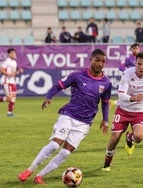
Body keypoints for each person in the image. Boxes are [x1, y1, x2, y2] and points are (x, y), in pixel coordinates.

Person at [18, 49, 112, 184]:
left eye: (103, 61)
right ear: (90, 59)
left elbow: (105, 102)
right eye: (97, 60)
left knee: (66, 153)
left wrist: (105, 119)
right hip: (69, 115)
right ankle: (29, 170)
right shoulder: (77, 75)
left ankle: (40, 176)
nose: (100, 64)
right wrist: (49, 97)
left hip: (84, 123)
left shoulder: (106, 83)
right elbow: (58, 85)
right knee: (54, 145)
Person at [101, 52, 143, 171]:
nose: (141, 67)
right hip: (123, 110)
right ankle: (107, 164)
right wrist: (132, 98)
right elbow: (121, 95)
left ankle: (129, 138)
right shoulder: (127, 74)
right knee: (114, 138)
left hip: (139, 111)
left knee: (138, 137)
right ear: (135, 63)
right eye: (139, 64)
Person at [0, 48, 23, 117]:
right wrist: (7, 74)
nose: (14, 54)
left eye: (15, 53)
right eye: (13, 53)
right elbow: (1, 69)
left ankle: (9, 113)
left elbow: (13, 73)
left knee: (13, 97)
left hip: (13, 81)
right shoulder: (7, 61)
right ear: (9, 54)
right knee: (10, 98)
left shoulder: (14, 62)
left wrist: (18, 71)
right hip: (7, 81)